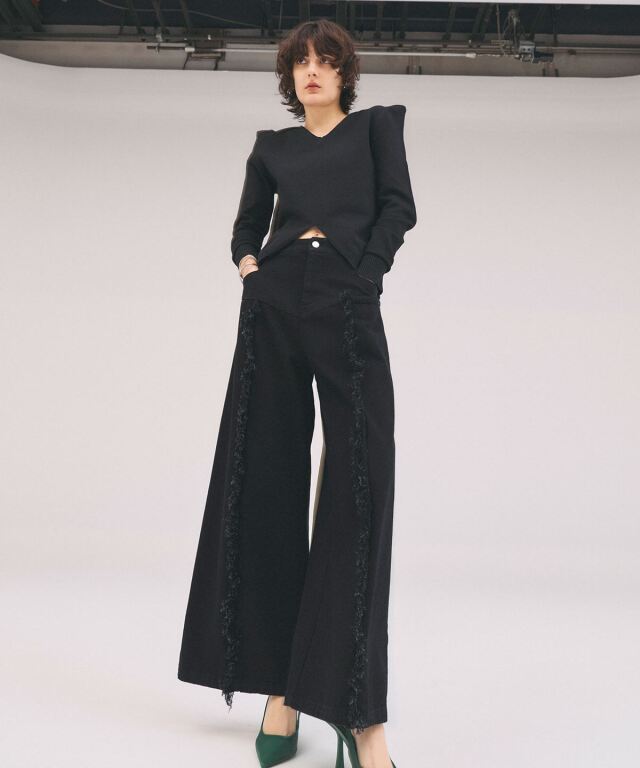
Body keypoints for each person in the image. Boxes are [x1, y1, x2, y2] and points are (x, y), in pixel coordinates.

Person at [178, 18, 417, 768]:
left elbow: (399, 208)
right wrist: (253, 271)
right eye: (301, 62)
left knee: (359, 487)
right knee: (264, 482)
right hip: (275, 304)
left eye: (326, 60)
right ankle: (281, 688)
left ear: (346, 73)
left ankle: (357, 711)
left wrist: (365, 273)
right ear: (289, 78)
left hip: (348, 300)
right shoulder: (272, 148)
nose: (312, 70)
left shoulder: (376, 130)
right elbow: (246, 226)